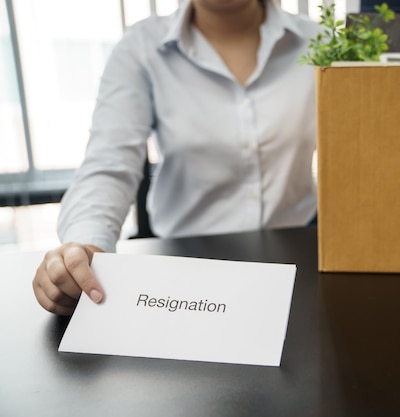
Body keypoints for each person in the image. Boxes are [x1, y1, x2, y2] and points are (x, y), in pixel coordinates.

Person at [32, 0, 320, 315]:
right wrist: (86, 246)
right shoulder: (142, 47)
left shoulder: (323, 42)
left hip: (303, 257)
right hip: (184, 270)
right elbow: (108, 165)